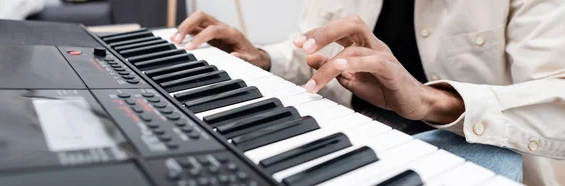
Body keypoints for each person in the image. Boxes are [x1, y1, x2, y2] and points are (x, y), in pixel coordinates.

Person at [171, 0, 565, 185]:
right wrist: (261, 57)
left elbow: (557, 103)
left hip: (457, 151)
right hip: (342, 139)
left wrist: (434, 101)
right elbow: (316, 58)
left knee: (492, 159)